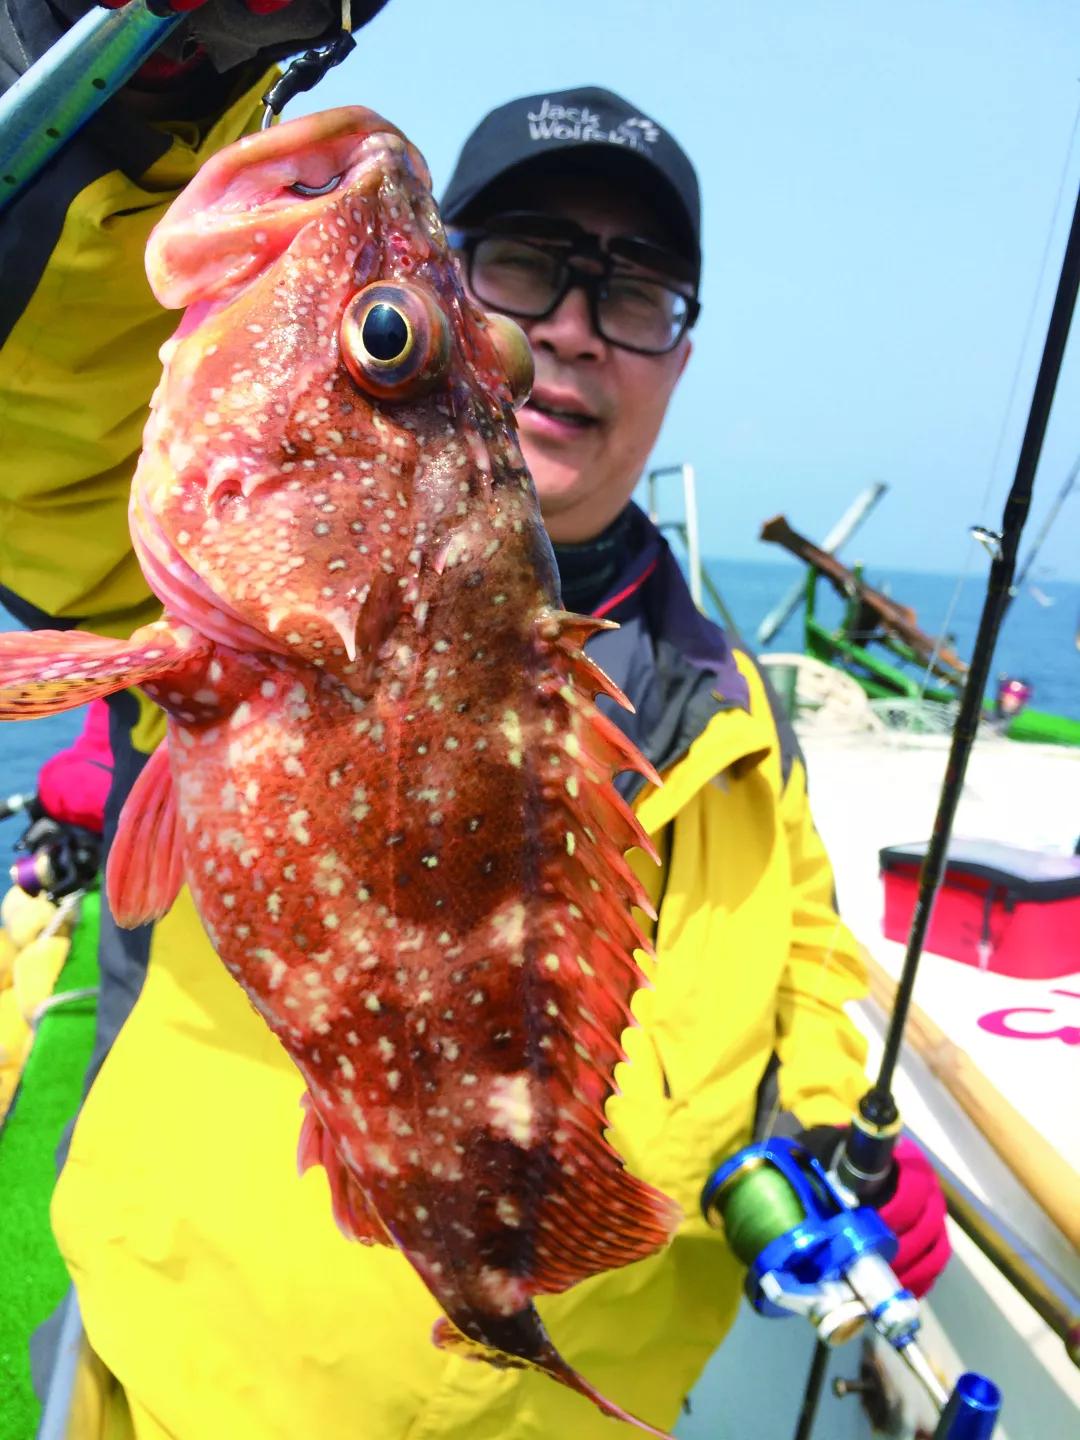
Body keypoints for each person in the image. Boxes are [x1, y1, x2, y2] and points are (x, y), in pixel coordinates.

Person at [0, 8, 949, 1433]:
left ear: (678, 357)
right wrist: (150, 75)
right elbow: (47, 392)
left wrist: (822, 1114)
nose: (572, 326)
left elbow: (799, 948)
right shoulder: (198, 577)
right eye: (516, 272)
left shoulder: (737, 708)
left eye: (635, 293)